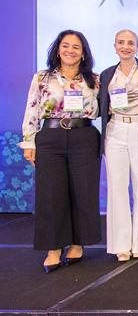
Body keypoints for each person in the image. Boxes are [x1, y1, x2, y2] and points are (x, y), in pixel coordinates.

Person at [20, 30, 101, 273]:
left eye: (76, 47)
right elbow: (32, 109)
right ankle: (53, 248)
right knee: (51, 194)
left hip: (84, 137)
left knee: (83, 192)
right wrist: (29, 142)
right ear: (57, 49)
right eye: (65, 45)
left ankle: (77, 244)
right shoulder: (42, 77)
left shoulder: (95, 80)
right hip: (50, 137)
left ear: (83, 53)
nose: (70, 51)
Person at [100, 29, 138, 262]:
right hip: (114, 131)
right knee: (117, 188)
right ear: (115, 46)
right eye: (121, 42)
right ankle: (121, 245)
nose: (125, 46)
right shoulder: (106, 74)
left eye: (130, 43)